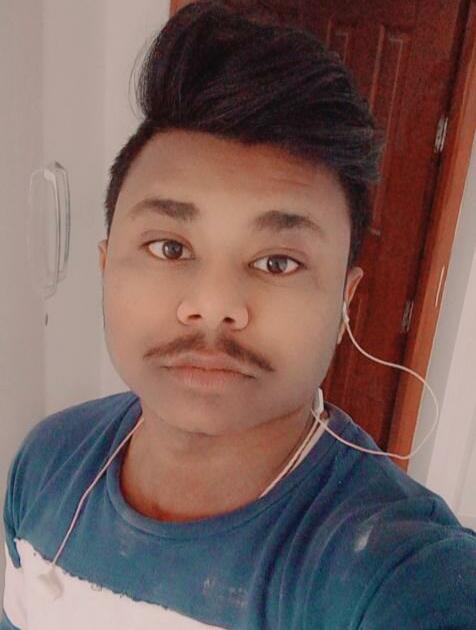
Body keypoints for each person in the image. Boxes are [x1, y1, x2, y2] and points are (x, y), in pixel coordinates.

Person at [2, 2, 475, 628]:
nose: (215, 304)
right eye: (170, 248)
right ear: (107, 266)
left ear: (344, 302)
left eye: (278, 262)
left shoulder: (396, 572)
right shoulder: (47, 461)